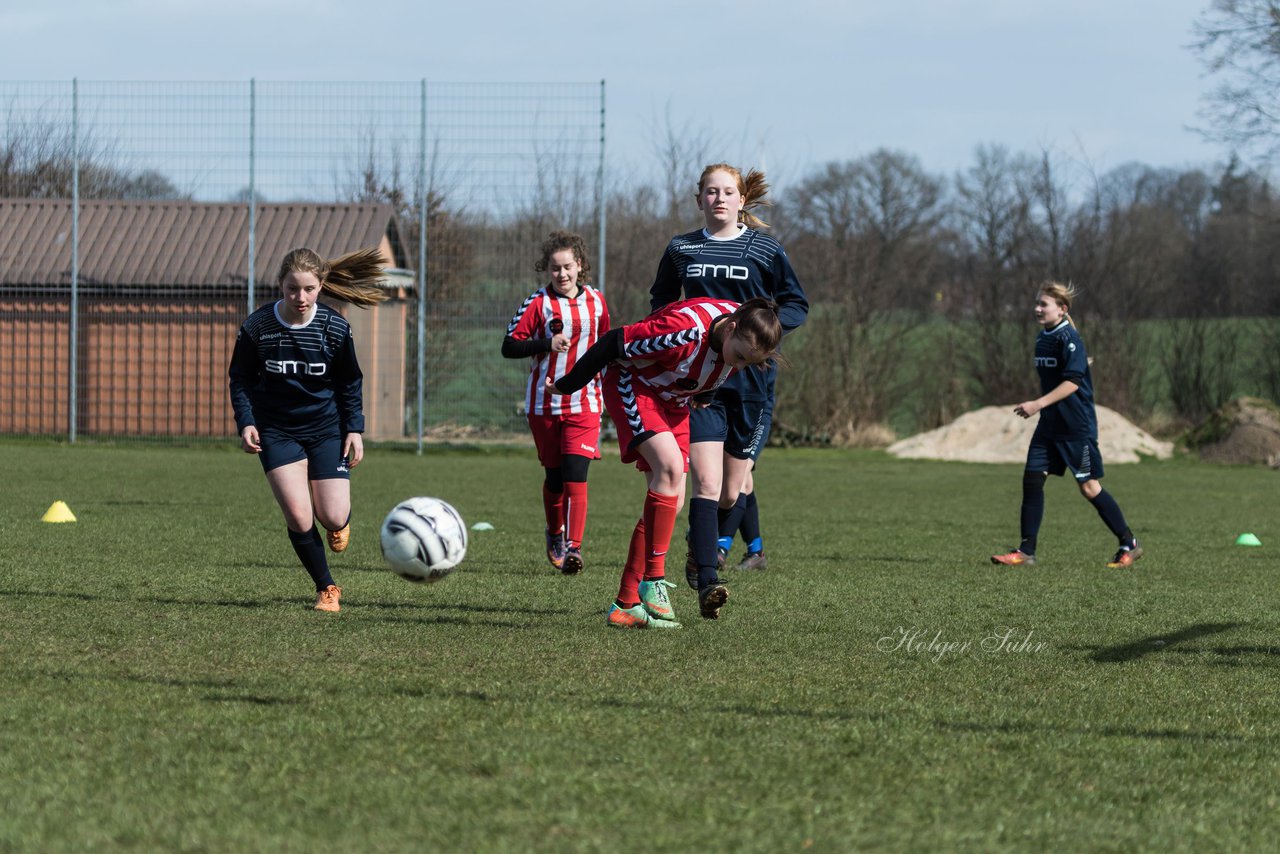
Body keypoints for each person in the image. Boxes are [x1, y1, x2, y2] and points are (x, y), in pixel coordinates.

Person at [551, 296, 785, 628]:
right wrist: (568, 384)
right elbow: (613, 342)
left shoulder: (740, 336)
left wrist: (705, 393)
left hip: (672, 403)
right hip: (633, 386)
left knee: (668, 502)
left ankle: (626, 604)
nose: (740, 367)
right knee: (672, 469)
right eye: (741, 357)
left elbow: (709, 368)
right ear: (731, 327)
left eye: (749, 363)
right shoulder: (685, 330)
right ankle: (654, 580)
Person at [649, 163, 808, 587]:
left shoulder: (765, 249)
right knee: (704, 479)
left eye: (727, 192)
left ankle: (703, 544)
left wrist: (765, 337)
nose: (719, 199)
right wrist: (667, 346)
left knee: (731, 492)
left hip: (750, 384)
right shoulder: (682, 248)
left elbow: (796, 304)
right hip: (700, 384)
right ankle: (704, 560)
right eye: (710, 192)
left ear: (741, 200)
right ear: (699, 198)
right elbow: (662, 302)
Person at [228, 246, 388, 612]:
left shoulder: (334, 328)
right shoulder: (258, 327)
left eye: (309, 289)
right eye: (292, 289)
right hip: (276, 431)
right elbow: (240, 378)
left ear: (321, 287)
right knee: (299, 516)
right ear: (280, 286)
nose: (300, 298)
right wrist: (247, 422)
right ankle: (327, 588)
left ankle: (338, 522)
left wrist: (355, 429)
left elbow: (350, 381)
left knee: (331, 515)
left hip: (326, 429)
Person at [990, 281, 1144, 569]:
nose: (1037, 308)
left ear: (1062, 309)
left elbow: (1073, 383)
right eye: (1036, 303)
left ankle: (1129, 542)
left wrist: (1037, 404)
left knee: (1088, 487)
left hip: (1076, 428)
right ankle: (1026, 552)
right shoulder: (1042, 337)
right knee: (1033, 479)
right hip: (1050, 426)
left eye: (1043, 304)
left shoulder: (1068, 338)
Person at [501, 230, 610, 574]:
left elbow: (607, 347)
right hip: (544, 404)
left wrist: (607, 392)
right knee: (555, 478)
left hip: (585, 401)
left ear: (580, 265)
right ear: (547, 269)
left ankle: (574, 548)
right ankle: (554, 532)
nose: (562, 275)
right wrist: (545, 344)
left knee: (577, 475)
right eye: (554, 268)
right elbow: (510, 345)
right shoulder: (538, 303)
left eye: (567, 267)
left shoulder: (597, 300)